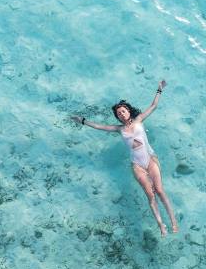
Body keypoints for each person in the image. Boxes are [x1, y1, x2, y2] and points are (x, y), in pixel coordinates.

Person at [72, 80, 179, 237]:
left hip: (150, 160)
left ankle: (173, 221)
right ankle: (161, 225)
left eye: (123, 110)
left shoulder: (139, 120)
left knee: (160, 191)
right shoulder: (119, 129)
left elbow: (153, 106)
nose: (121, 113)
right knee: (150, 195)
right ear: (117, 117)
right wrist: (82, 120)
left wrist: (159, 90)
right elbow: (99, 126)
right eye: (119, 113)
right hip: (138, 166)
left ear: (129, 111)